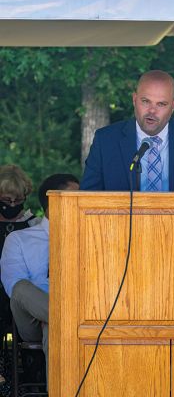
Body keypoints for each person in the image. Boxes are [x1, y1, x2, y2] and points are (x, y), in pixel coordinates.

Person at [80, 69, 174, 192]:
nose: (152, 111)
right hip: (123, 229)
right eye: (145, 101)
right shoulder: (106, 140)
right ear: (134, 100)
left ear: (173, 107)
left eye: (161, 104)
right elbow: (86, 198)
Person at [0, 173, 79, 382]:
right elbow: (14, 288)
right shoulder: (19, 239)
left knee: (53, 328)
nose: (82, 201)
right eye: (76, 196)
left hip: (72, 312)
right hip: (31, 318)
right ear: (53, 200)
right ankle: (63, 317)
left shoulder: (87, 235)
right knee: (20, 287)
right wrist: (55, 309)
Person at [0, 164, 40, 390]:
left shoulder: (32, 224)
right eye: (7, 200)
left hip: (22, 289)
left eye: (18, 200)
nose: (12, 206)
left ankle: (30, 382)